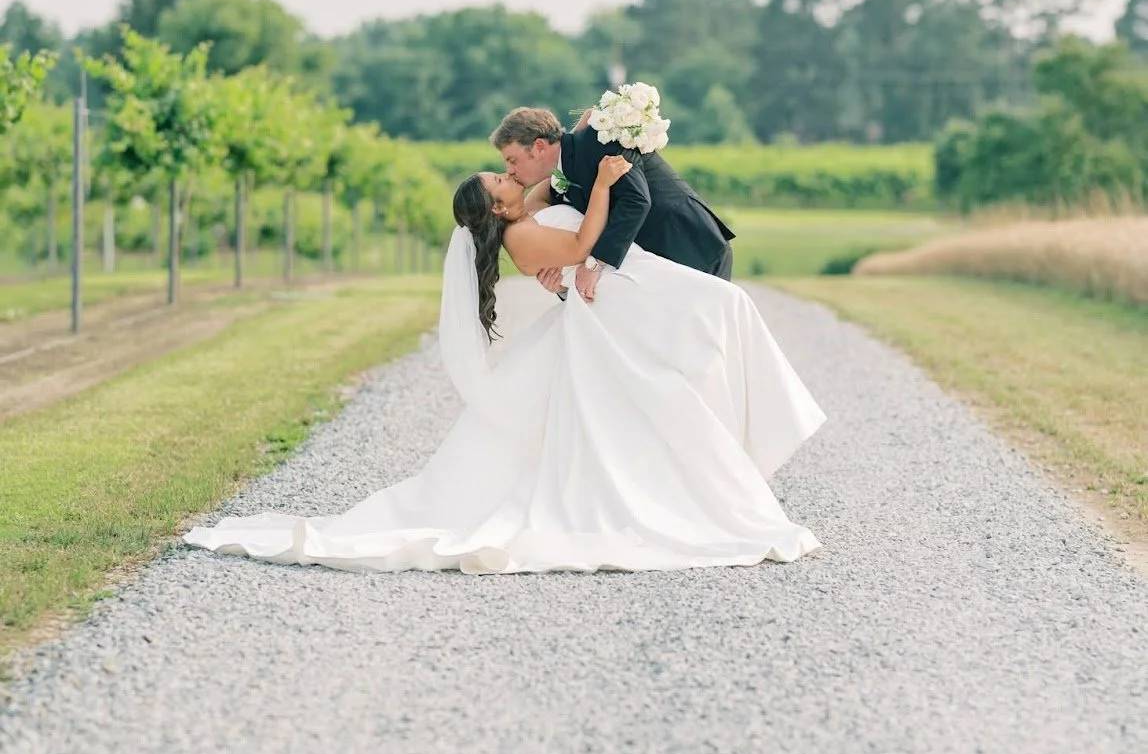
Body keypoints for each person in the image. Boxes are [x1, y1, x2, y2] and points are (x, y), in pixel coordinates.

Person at [184, 154, 824, 575]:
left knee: (680, 360)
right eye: (500, 182)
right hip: (601, 302)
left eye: (503, 171)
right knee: (668, 366)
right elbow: (577, 244)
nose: (507, 179)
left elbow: (548, 189)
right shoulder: (520, 233)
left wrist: (570, 158)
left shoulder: (523, 214)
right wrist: (602, 186)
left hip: (606, 301)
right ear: (495, 209)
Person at [492, 106, 735, 307]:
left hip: (690, 244)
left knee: (707, 349)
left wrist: (594, 264)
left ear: (539, 147)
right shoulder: (559, 184)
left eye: (512, 160)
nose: (510, 170)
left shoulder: (598, 140)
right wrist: (561, 285)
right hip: (658, 273)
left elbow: (636, 200)